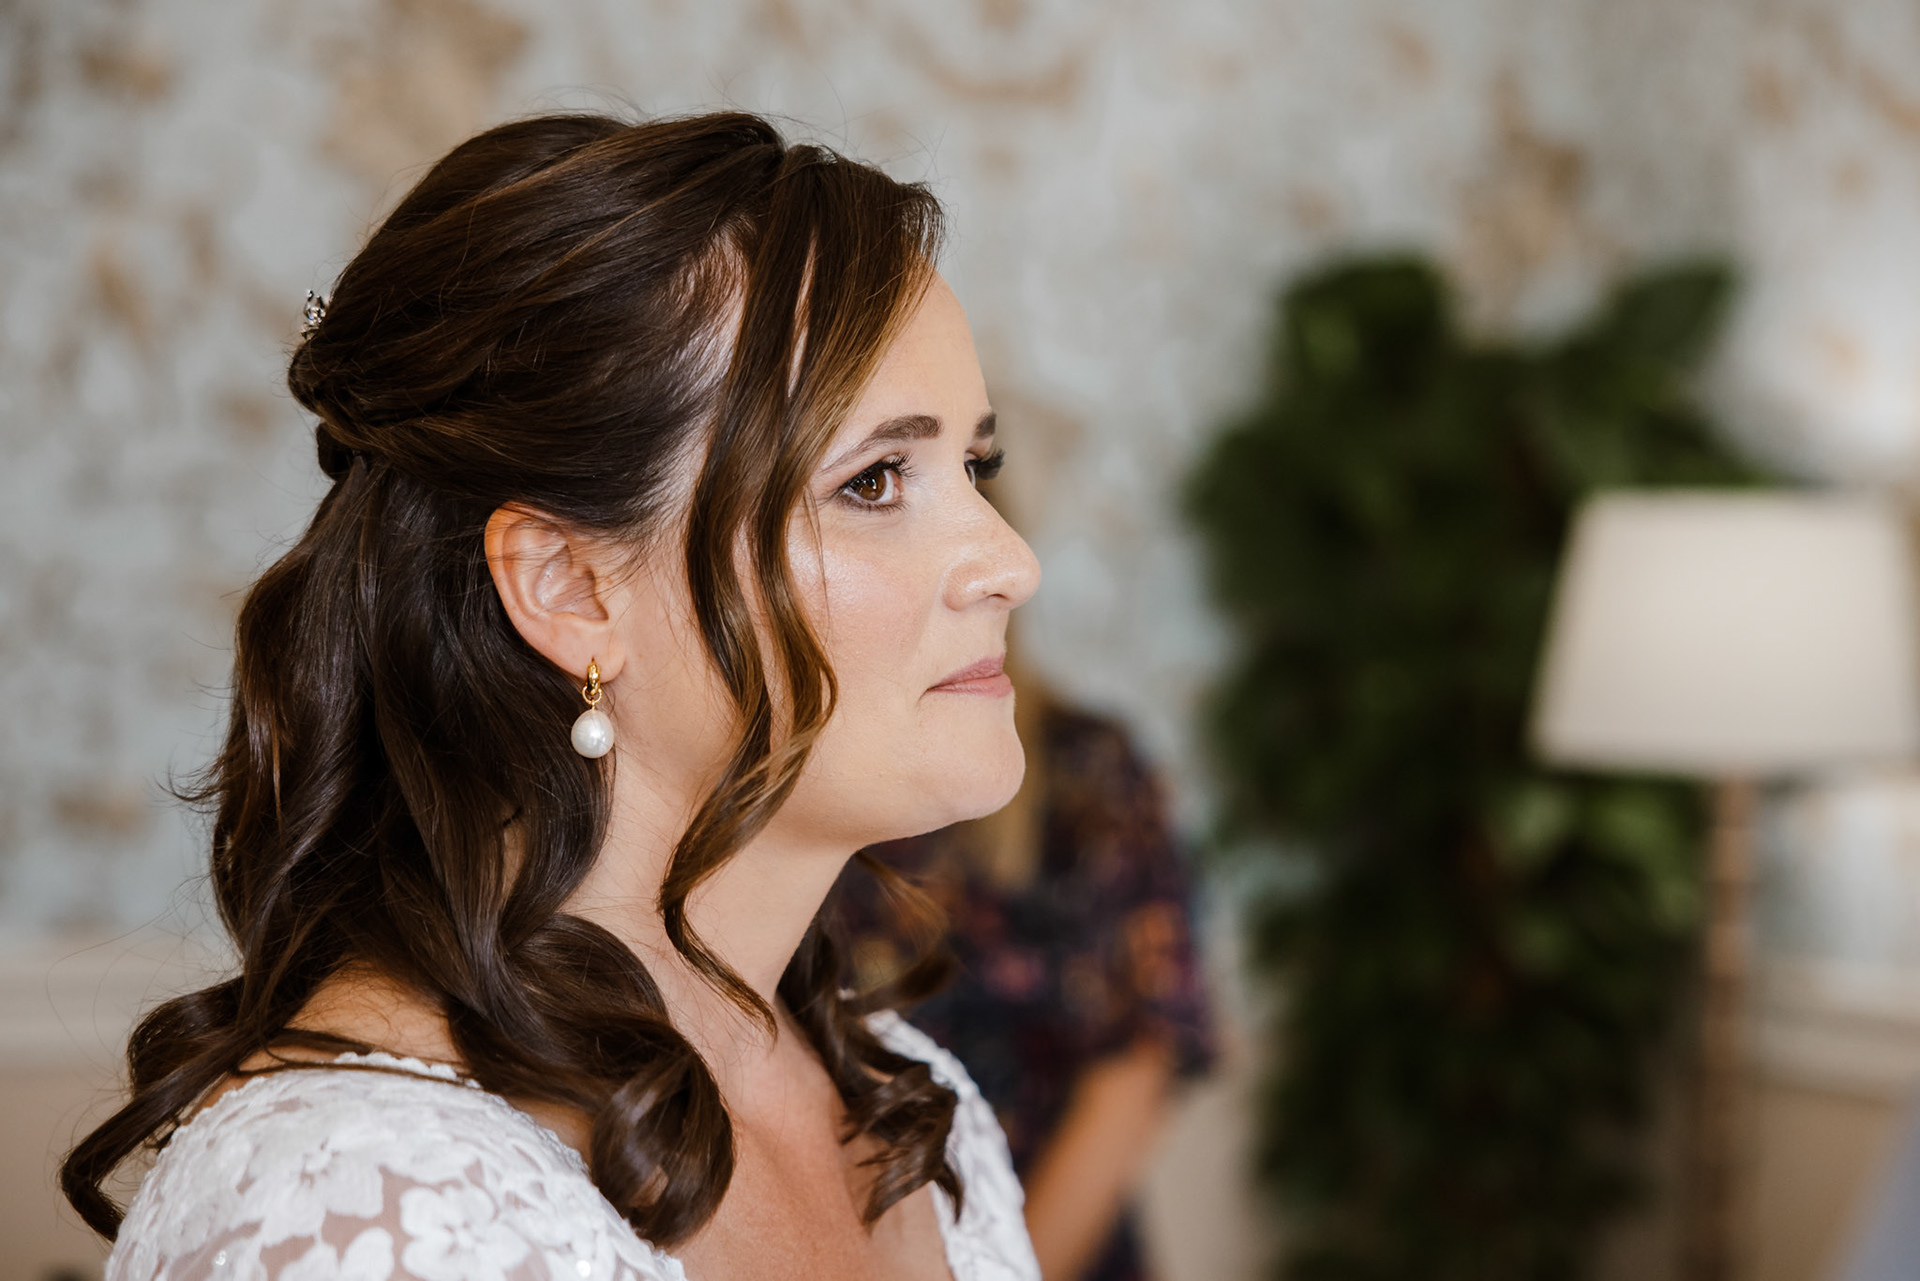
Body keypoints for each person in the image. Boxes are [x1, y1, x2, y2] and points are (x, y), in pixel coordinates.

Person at [61, 111, 1045, 1281]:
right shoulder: (359, 1205)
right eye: (874, 480)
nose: (1011, 564)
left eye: (974, 466)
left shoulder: (912, 1106)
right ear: (570, 588)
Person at [834, 661, 1214, 1281]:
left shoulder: (1083, 771)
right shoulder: (815, 791)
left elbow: (1138, 1060)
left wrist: (1007, 1268)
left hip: (1053, 1240)